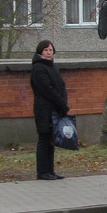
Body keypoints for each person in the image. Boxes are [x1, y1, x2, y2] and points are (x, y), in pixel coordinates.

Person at [31, 39, 69, 180]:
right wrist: (61, 103)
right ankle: (42, 172)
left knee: (51, 141)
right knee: (44, 140)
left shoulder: (52, 66)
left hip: (54, 109)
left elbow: (61, 86)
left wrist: (63, 103)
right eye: (46, 50)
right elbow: (48, 90)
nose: (48, 52)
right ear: (40, 51)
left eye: (50, 50)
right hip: (44, 110)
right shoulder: (38, 68)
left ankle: (50, 171)